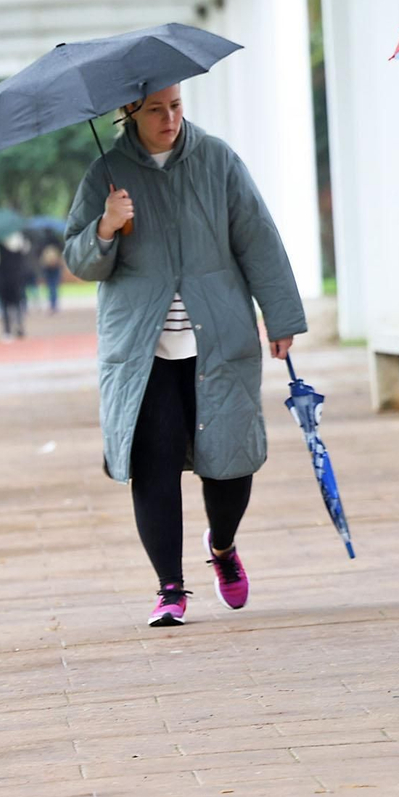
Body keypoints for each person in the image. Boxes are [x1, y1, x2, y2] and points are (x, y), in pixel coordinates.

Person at [64, 83, 306, 627]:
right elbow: (81, 261)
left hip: (217, 340)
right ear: (129, 112)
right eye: (155, 110)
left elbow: (257, 238)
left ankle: (222, 546)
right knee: (152, 466)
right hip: (142, 349)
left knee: (231, 463)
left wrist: (282, 316)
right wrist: (105, 225)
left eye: (176, 107)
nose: (169, 118)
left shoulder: (217, 159)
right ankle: (170, 588)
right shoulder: (105, 175)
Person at [0, 232, 31, 340]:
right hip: (16, 277)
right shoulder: (20, 240)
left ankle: (7, 330)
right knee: (17, 304)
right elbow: (26, 250)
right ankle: (19, 326)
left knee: (5, 305)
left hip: (3, 279)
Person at [40, 241, 64, 313]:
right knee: (54, 287)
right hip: (55, 267)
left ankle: (52, 304)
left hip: (48, 268)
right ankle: (54, 304)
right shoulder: (57, 243)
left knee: (51, 287)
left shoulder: (43, 242)